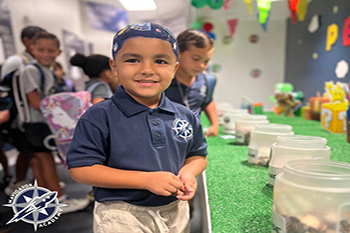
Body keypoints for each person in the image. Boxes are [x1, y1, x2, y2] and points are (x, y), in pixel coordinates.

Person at [67, 22, 208, 232]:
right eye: (133, 60)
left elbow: (197, 155)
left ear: (174, 69)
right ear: (114, 66)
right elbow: (81, 169)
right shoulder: (99, 115)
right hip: (120, 213)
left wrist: (188, 173)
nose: (147, 70)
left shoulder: (185, 115)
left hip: (175, 209)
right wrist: (144, 180)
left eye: (160, 61)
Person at [19, 31, 89, 213]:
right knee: (45, 159)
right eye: (41, 50)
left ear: (58, 52)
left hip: (42, 121)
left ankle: (45, 196)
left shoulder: (47, 71)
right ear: (32, 49)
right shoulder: (31, 70)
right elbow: (35, 101)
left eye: (50, 51)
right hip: (36, 123)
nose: (46, 54)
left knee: (38, 159)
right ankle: (59, 199)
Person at [0, 26, 46, 194]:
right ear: (27, 41)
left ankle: (39, 182)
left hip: (34, 116)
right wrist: (8, 112)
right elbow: (5, 90)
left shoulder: (37, 62)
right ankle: (18, 182)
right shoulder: (17, 61)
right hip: (18, 116)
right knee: (25, 149)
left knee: (33, 152)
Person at [165, 29, 219, 137]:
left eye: (206, 61)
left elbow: (207, 101)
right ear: (178, 52)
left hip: (193, 138)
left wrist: (215, 124)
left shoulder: (208, 81)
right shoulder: (162, 81)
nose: (202, 66)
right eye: (196, 59)